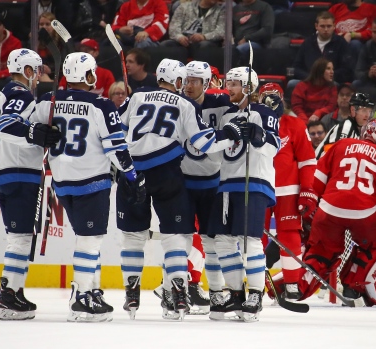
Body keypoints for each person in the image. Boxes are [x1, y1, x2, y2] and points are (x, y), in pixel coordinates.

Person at [117, 58, 242, 321]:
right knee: (176, 234)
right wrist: (232, 134)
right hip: (167, 174)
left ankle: (131, 292)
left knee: (134, 235)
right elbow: (203, 142)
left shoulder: (137, 96)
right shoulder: (184, 104)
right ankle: (178, 292)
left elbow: (116, 132)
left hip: (132, 173)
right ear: (177, 81)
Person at [30, 52, 145, 322]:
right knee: (90, 240)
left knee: (86, 236)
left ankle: (89, 291)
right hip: (91, 181)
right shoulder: (101, 104)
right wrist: (132, 175)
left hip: (62, 181)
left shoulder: (48, 100)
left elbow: (30, 128)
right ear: (89, 76)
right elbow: (117, 147)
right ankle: (80, 297)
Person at [288, 118, 376, 305]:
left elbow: (317, 179)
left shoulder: (341, 145)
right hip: (364, 213)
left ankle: (296, 287)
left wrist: (310, 201)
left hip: (329, 208)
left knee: (321, 251)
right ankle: (354, 284)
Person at [0, 49, 61, 320]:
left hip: (3, 171)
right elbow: (6, 125)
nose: (38, 76)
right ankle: (9, 296)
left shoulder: (9, 91)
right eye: (36, 70)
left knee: (20, 236)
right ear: (27, 70)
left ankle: (15, 291)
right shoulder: (19, 92)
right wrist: (32, 132)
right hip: (17, 173)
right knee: (21, 238)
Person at [209, 66, 280, 322]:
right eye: (228, 84)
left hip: (254, 182)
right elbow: (216, 153)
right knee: (222, 241)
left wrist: (260, 137)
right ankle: (237, 294)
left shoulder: (263, 112)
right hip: (227, 183)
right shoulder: (229, 115)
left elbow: (275, 145)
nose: (229, 89)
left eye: (235, 85)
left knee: (250, 240)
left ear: (249, 87)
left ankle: (256, 294)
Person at [179, 60, 233, 314]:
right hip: (183, 184)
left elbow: (246, 109)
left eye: (195, 81)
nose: (189, 85)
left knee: (211, 242)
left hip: (212, 183)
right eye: (186, 80)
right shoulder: (176, 104)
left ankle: (216, 294)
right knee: (179, 239)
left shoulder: (222, 103)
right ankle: (177, 290)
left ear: (206, 83)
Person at [258, 82, 317, 299]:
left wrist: (307, 189)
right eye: (267, 97)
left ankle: (292, 283)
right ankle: (256, 284)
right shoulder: (253, 122)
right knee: (255, 237)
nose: (272, 101)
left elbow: (307, 160)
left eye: (275, 97)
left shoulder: (294, 125)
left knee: (290, 234)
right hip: (259, 187)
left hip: (287, 191)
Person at [289, 11, 354, 91]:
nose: (326, 29)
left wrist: (327, 76)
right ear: (316, 26)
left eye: (329, 26)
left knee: (336, 86)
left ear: (334, 26)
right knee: (292, 84)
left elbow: (347, 69)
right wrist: (311, 77)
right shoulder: (307, 43)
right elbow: (296, 68)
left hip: (331, 82)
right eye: (322, 26)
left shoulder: (341, 43)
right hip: (310, 81)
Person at [315, 92, 374, 159]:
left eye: (369, 111)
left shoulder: (356, 129)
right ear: (353, 110)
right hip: (319, 167)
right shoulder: (346, 128)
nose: (367, 115)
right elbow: (333, 154)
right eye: (364, 111)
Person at [291, 58, 338, 125]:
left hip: (324, 121)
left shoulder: (332, 87)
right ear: (319, 71)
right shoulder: (301, 86)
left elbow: (331, 107)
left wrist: (319, 112)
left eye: (332, 69)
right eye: (328, 68)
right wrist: (305, 121)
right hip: (304, 119)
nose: (332, 72)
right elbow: (297, 107)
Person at [232, 0, 274, 65]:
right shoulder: (235, 9)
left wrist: (246, 38)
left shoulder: (264, 7)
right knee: (224, 51)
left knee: (239, 49)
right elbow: (231, 28)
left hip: (256, 43)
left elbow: (267, 29)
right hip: (236, 42)